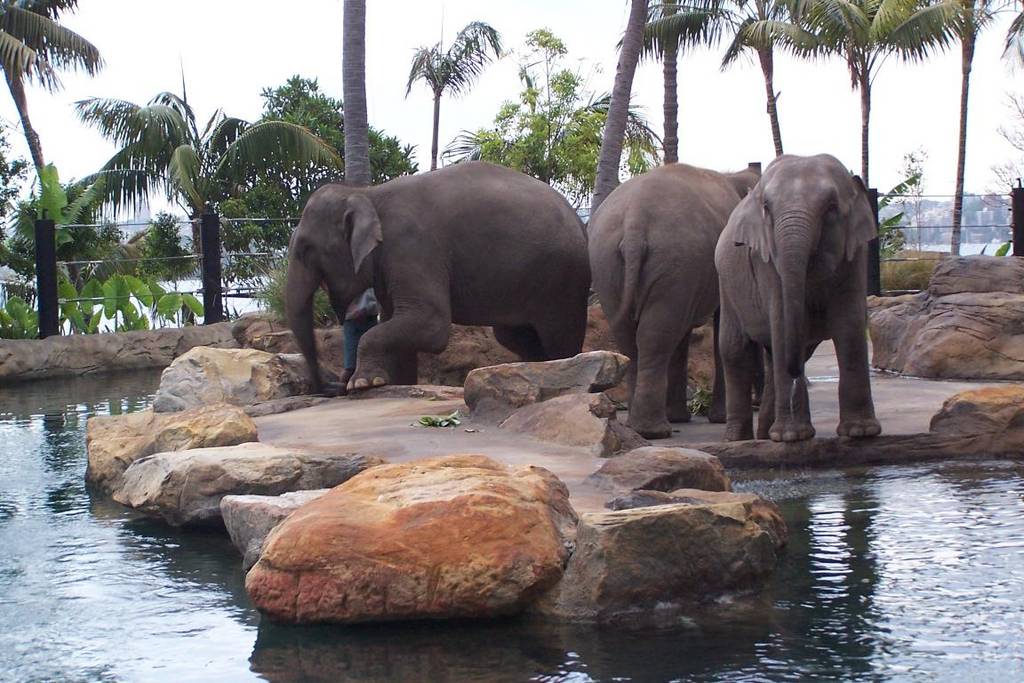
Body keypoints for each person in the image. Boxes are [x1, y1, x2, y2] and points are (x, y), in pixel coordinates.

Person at [339, 288, 378, 389]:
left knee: (372, 362)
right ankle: (341, 391)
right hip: (354, 320)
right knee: (351, 366)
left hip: (371, 316)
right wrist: (351, 309)